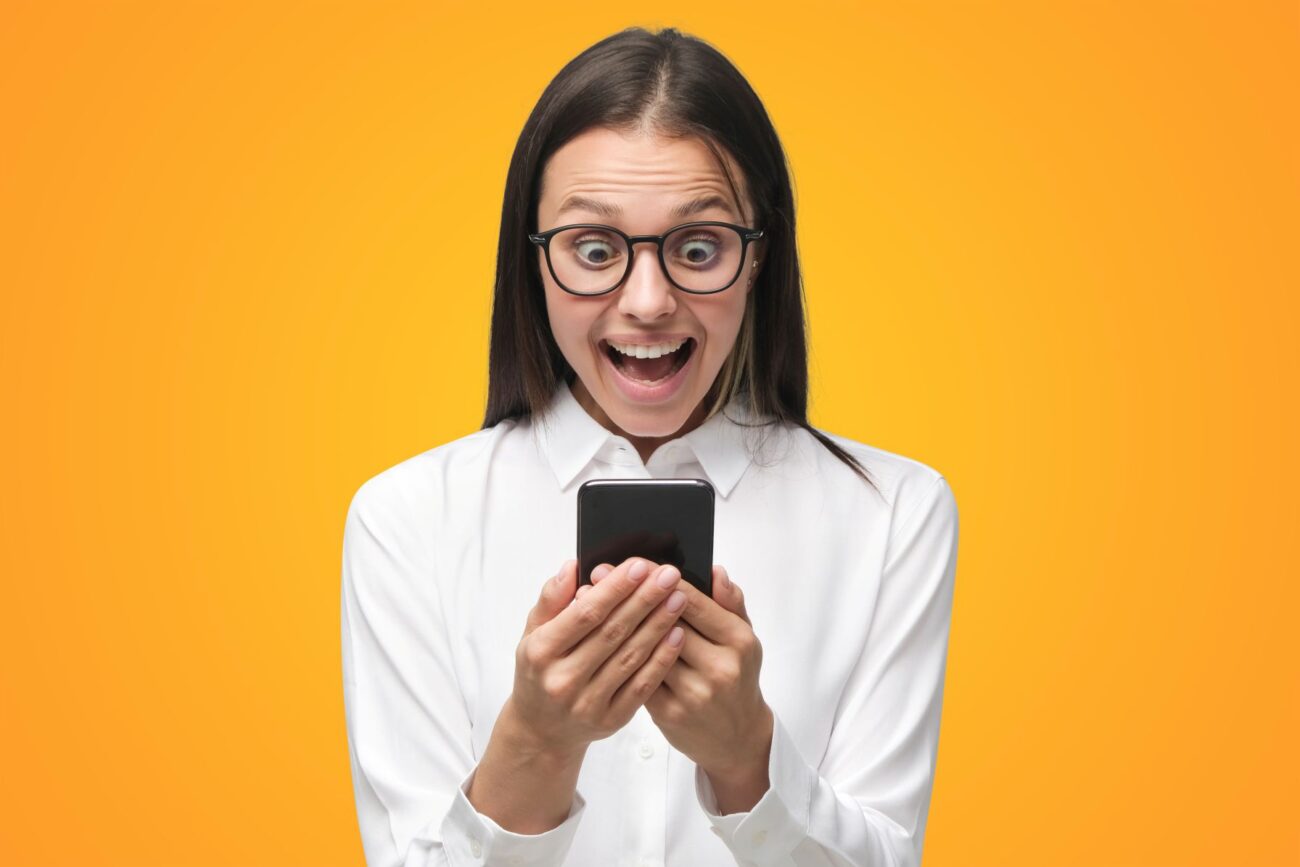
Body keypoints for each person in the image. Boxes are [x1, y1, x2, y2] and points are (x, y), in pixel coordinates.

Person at [341, 25, 959, 867]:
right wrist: (535, 747)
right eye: (594, 249)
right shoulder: (406, 519)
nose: (646, 300)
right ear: (533, 263)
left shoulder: (893, 515)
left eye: (697, 247)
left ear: (757, 260)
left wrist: (748, 757)